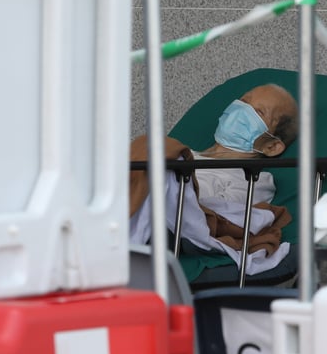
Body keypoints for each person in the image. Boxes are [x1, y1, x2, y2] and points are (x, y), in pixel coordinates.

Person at [128, 83, 299, 275]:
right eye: (243, 102)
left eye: (259, 112)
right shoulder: (183, 154)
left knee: (155, 145)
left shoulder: (255, 180)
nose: (243, 110)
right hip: (139, 198)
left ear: (272, 147)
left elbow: (218, 217)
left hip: (167, 220)